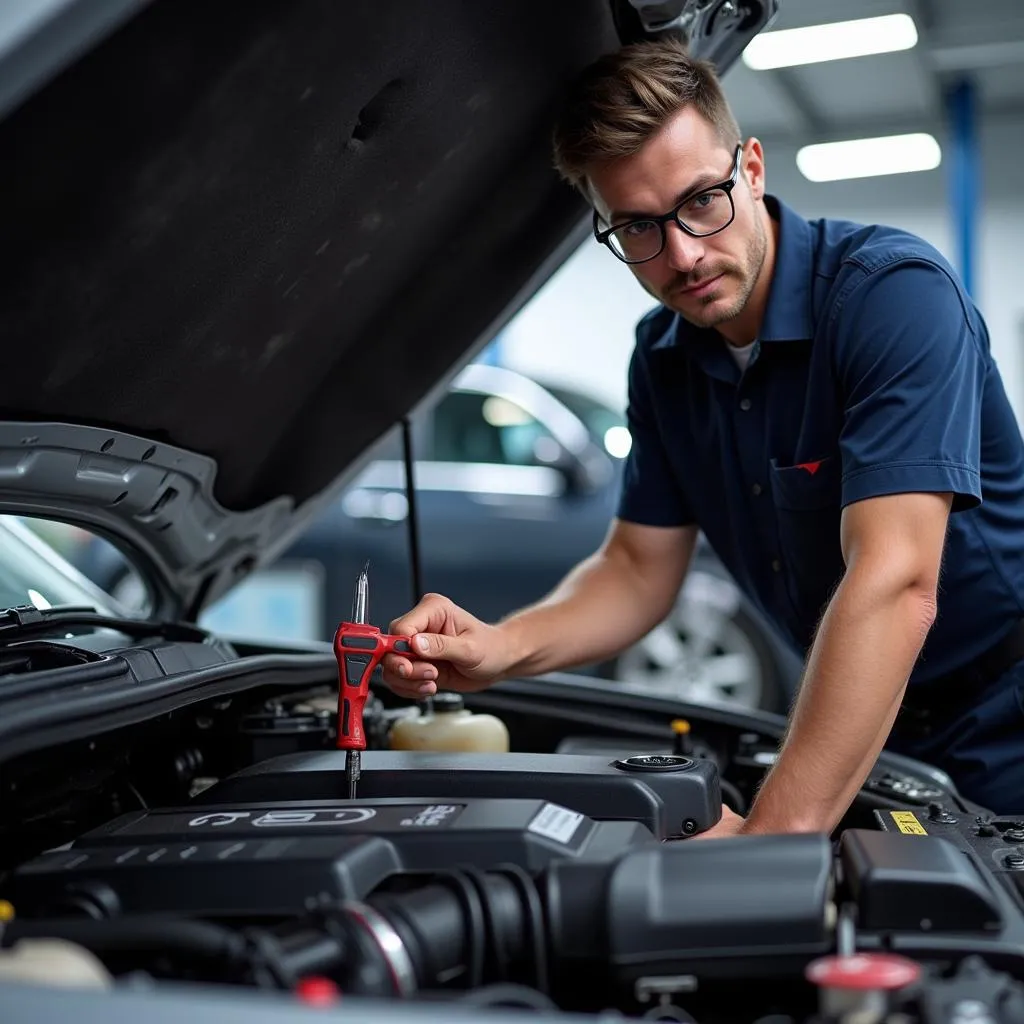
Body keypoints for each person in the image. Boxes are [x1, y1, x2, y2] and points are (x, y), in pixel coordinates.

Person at [381, 37, 1024, 834]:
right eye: (638, 229)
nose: (682, 254)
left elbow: (894, 584)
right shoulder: (664, 359)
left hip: (1006, 719)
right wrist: (503, 647)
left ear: (750, 169)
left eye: (699, 202)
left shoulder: (891, 299)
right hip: (860, 722)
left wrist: (769, 842)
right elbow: (636, 568)